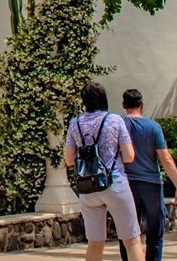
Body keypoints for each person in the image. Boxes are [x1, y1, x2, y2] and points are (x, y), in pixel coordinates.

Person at [63, 81, 146, 261]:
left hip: (88, 188)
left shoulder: (74, 123)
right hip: (114, 183)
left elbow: (69, 160)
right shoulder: (114, 120)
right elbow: (129, 156)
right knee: (132, 241)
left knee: (95, 242)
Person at [116, 89, 177, 261]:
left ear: (123, 105)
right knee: (155, 231)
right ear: (142, 105)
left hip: (127, 184)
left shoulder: (118, 124)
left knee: (128, 232)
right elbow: (166, 158)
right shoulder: (153, 127)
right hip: (151, 185)